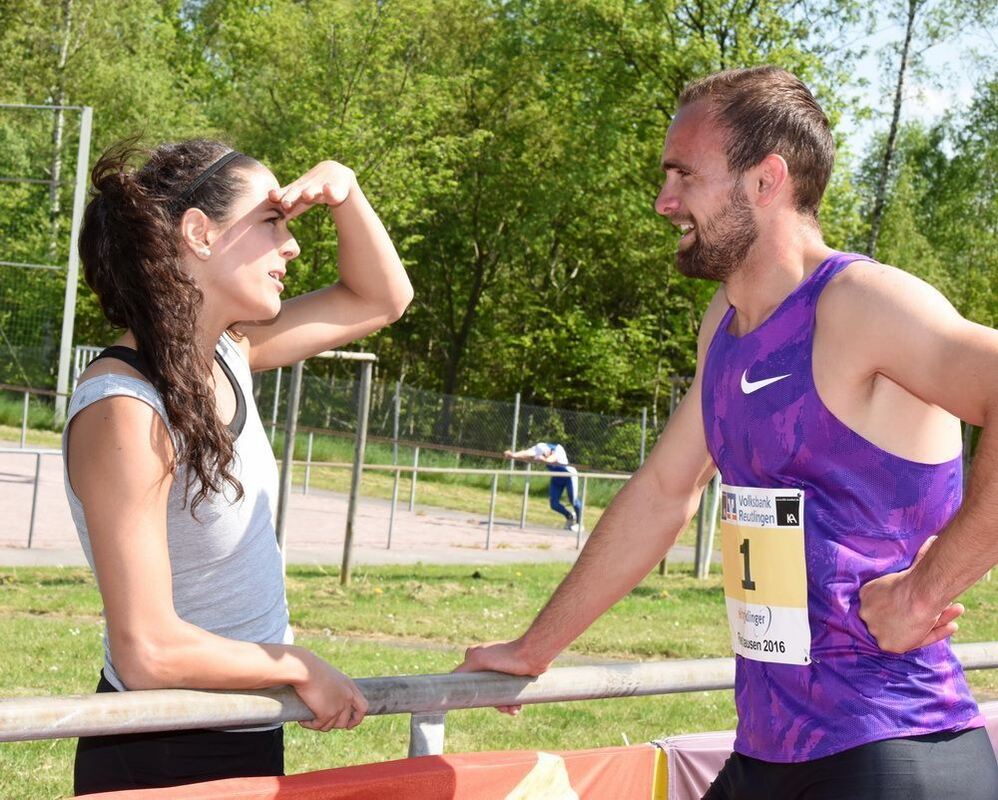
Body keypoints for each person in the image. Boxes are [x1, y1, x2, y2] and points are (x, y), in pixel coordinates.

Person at [459, 66, 998, 799]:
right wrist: (533, 648)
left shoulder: (859, 304)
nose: (663, 201)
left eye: (685, 175)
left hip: (894, 744)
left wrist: (926, 591)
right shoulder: (726, 324)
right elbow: (663, 492)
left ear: (764, 180)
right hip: (771, 750)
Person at [65, 138, 413, 795]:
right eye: (272, 222)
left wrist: (346, 191)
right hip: (160, 753)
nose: (293, 247)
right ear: (199, 232)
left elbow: (380, 300)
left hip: (246, 730)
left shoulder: (225, 355)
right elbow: (147, 651)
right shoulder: (125, 409)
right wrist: (294, 665)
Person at [504, 442, 583, 532]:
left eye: (545, 454)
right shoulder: (540, 448)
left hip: (569, 475)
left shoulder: (558, 449)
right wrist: (513, 455)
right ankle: (570, 516)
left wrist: (542, 459)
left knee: (573, 499)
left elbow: (551, 460)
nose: (544, 455)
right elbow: (526, 453)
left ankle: (580, 524)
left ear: (549, 451)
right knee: (554, 504)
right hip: (557, 478)